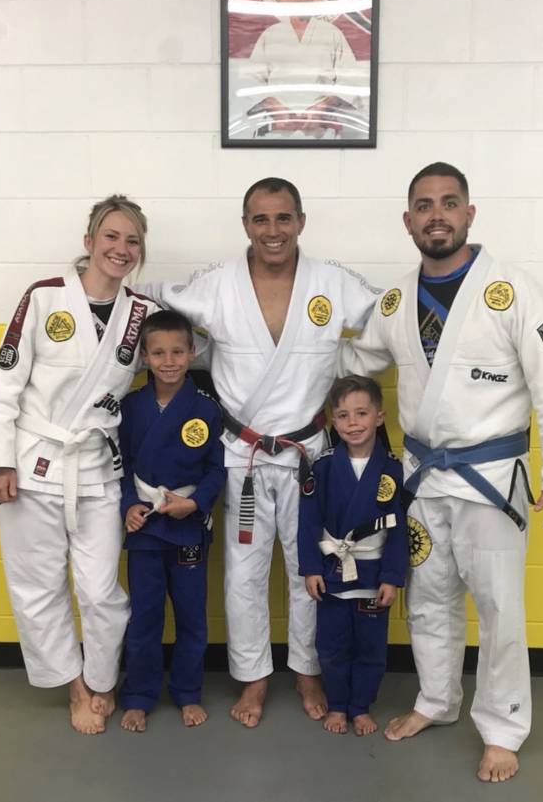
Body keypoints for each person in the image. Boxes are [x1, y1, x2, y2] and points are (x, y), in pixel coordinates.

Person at [340, 163, 543, 780]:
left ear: (469, 213)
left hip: (491, 478)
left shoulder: (511, 290)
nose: (437, 216)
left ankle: (502, 727)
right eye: (424, 206)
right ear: (408, 220)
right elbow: (354, 360)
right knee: (428, 599)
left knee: (499, 607)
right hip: (424, 478)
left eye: (449, 203)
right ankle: (437, 700)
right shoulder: (395, 300)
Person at [139, 176, 380, 727]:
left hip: (308, 453)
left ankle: (307, 669)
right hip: (242, 454)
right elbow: (149, 298)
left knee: (309, 565)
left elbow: (392, 318)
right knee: (244, 572)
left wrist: (346, 364)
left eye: (283, 217)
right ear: (246, 224)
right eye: (261, 219)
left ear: (301, 221)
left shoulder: (333, 282)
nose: (273, 230)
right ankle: (253, 676)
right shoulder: (216, 283)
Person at [0, 195, 158, 735]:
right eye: (111, 236)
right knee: (38, 585)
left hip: (97, 467)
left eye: (132, 241)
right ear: (89, 242)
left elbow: (182, 353)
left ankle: (103, 679)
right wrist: (0, 462)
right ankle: (76, 688)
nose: (121, 249)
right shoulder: (44, 297)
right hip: (33, 461)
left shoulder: (142, 313)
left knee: (101, 590)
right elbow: (5, 383)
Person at [117, 310, 225, 733]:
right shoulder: (131, 407)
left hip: (186, 524)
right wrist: (128, 504)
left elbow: (217, 469)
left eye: (177, 352)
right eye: (158, 352)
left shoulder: (206, 409)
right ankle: (138, 695)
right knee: (144, 615)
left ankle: (187, 691)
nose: (168, 361)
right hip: (144, 526)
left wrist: (195, 503)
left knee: (191, 616)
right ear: (144, 356)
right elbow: (121, 465)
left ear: (192, 352)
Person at [298, 375, 408, 736]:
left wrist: (392, 576)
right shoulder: (323, 466)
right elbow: (308, 521)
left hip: (373, 572)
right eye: (343, 415)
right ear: (333, 420)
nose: (353, 423)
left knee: (370, 648)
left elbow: (398, 529)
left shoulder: (392, 469)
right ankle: (337, 704)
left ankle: (360, 706)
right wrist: (310, 568)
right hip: (332, 569)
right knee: (331, 645)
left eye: (362, 413)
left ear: (379, 416)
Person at [233, 0, 369, 140]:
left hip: (322, 134)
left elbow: (351, 80)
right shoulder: (271, 34)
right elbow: (250, 81)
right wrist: (275, 107)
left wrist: (322, 107)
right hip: (275, 133)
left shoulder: (332, 34)